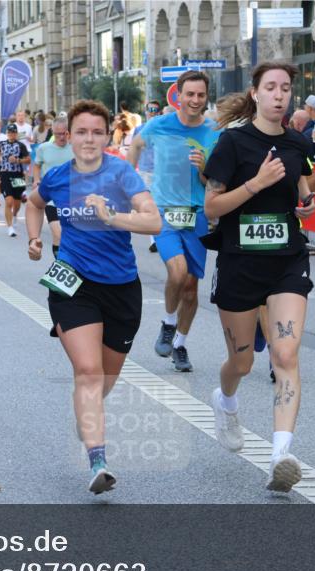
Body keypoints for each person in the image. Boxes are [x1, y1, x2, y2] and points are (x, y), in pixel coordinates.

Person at [25, 99, 161, 494]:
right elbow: (34, 204)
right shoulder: (58, 176)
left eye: (97, 132)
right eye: (81, 132)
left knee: (102, 379)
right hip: (72, 282)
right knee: (87, 371)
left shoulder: (121, 173)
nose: (88, 139)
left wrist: (111, 216)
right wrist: (34, 238)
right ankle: (98, 461)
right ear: (69, 136)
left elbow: (153, 221)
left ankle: (87, 414)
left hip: (121, 287)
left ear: (107, 137)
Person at [202, 61, 315, 493]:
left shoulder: (297, 142)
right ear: (255, 93)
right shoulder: (232, 143)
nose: (279, 94)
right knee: (242, 362)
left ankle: (280, 455)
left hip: (287, 260)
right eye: (271, 87)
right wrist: (256, 183)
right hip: (239, 262)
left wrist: (306, 203)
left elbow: (306, 184)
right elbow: (212, 208)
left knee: (285, 355)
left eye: (285, 87)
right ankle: (225, 401)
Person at [129, 69, 221, 373]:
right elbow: (136, 146)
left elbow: (214, 181)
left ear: (206, 97)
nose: (195, 100)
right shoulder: (159, 125)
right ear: (178, 95)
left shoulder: (213, 131)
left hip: (197, 215)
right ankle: (168, 322)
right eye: (189, 94)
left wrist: (205, 167)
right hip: (165, 212)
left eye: (200, 95)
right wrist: (130, 185)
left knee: (191, 288)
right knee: (178, 271)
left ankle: (180, 344)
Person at [32, 117, 74, 256]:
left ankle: (63, 261)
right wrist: (36, 180)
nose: (61, 137)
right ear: (52, 132)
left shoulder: (76, 148)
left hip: (72, 199)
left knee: (63, 237)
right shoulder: (44, 148)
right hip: (51, 198)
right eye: (57, 134)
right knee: (59, 233)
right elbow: (37, 165)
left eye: (64, 133)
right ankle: (62, 263)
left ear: (69, 132)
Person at [133, 100, 162, 252]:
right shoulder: (139, 129)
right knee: (150, 206)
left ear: (159, 112)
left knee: (160, 205)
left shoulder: (163, 129)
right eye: (150, 109)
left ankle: (161, 235)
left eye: (155, 110)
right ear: (145, 112)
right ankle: (153, 240)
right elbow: (134, 150)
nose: (152, 112)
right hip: (145, 171)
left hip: (162, 173)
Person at [0, 123, 31, 237]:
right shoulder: (2, 144)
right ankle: (10, 227)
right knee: (9, 201)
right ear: (7, 133)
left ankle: (14, 215)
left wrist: (17, 160)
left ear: (16, 133)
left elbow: (28, 160)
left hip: (18, 175)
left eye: (13, 132)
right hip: (5, 174)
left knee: (17, 203)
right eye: (9, 132)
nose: (11, 134)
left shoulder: (21, 145)